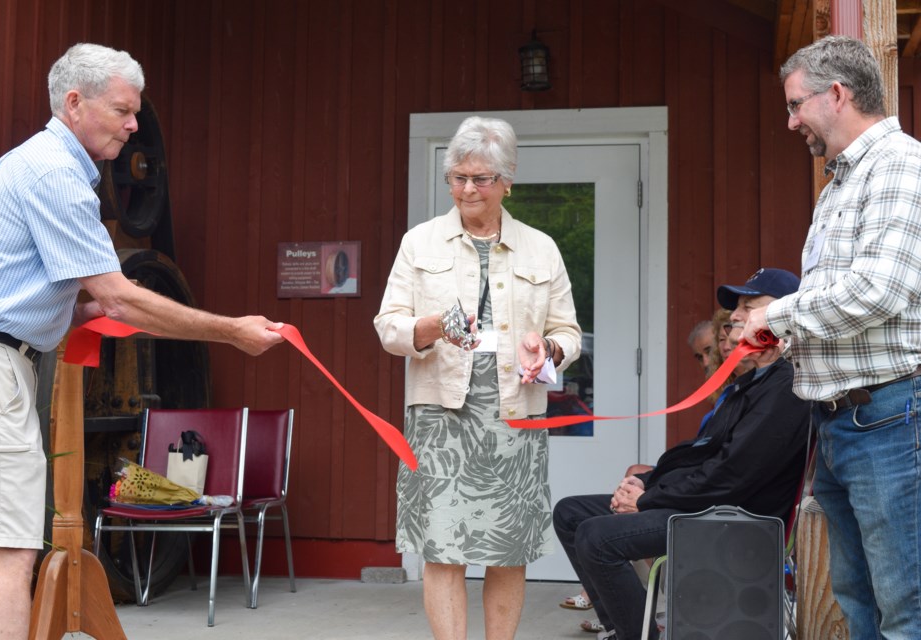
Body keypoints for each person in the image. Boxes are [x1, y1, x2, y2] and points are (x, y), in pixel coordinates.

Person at [0, 43, 285, 639]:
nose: (135, 125)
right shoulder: (54, 173)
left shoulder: (34, 165)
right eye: (122, 109)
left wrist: (80, 310)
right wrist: (231, 332)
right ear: (75, 102)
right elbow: (118, 296)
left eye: (136, 111)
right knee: (9, 551)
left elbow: (69, 295)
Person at [374, 115, 581, 640]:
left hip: (515, 416)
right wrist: (429, 327)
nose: (467, 189)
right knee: (442, 548)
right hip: (439, 418)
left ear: (507, 180)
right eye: (458, 177)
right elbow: (388, 327)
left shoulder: (542, 248)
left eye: (481, 179)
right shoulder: (418, 243)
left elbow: (569, 333)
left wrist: (548, 347)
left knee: (507, 550)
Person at [741, 35, 921, 640]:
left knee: (906, 606)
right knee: (856, 599)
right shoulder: (838, 184)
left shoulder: (901, 166)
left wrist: (779, 316)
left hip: (891, 421)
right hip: (840, 424)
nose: (791, 122)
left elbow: (880, 290)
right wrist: (785, 338)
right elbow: (840, 303)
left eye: (796, 105)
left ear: (837, 94)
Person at [554, 268, 809, 640]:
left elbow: (732, 477)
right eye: (737, 307)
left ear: (782, 317)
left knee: (597, 536)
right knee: (571, 513)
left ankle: (638, 635)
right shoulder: (750, 383)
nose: (736, 316)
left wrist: (647, 499)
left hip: (735, 519)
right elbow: (699, 455)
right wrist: (645, 481)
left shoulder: (786, 388)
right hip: (706, 504)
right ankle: (622, 628)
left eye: (748, 306)